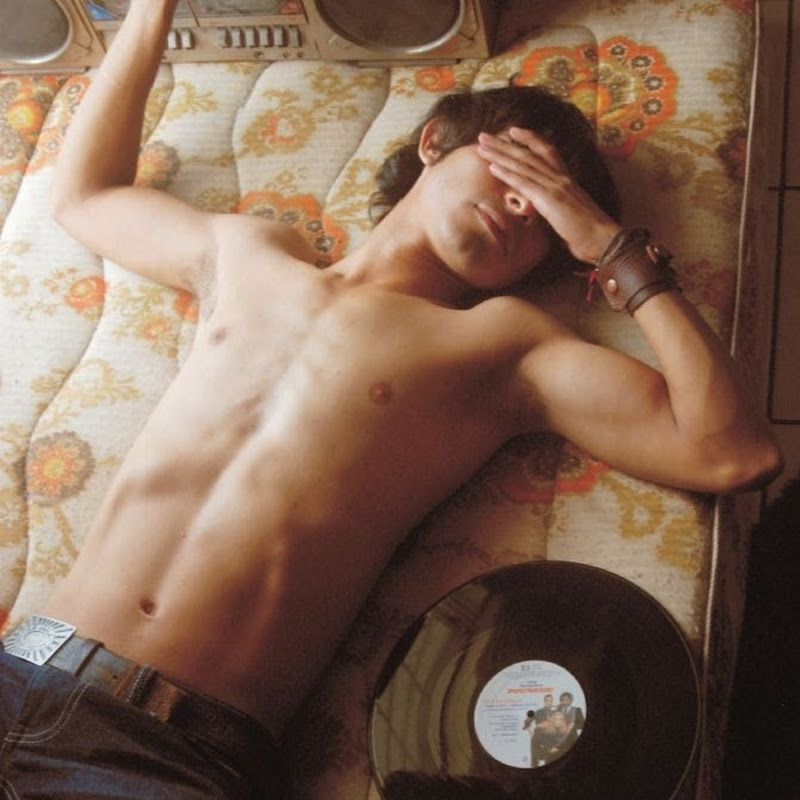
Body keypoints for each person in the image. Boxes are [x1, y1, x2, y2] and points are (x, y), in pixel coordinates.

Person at [0, 0, 782, 797]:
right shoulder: (247, 253)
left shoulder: (500, 349)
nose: (525, 204)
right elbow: (85, 196)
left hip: (161, 753)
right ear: (435, 142)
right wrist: (151, 12)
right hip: (23, 664)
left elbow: (732, 452)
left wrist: (610, 248)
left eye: (549, 209)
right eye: (520, 168)